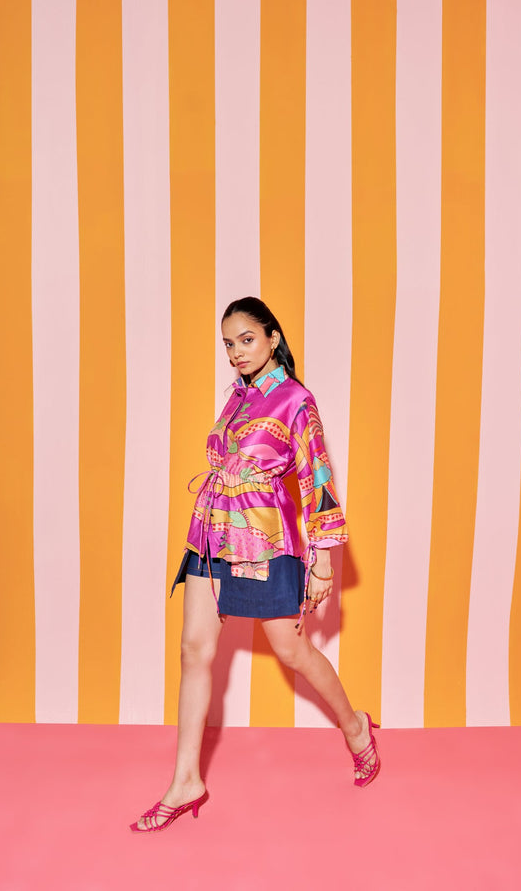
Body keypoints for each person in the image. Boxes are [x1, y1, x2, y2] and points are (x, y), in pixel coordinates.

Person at [130, 297, 380, 833]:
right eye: (228, 344)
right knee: (193, 649)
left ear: (272, 338)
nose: (236, 352)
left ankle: (355, 726)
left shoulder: (296, 400)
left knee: (292, 651)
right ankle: (185, 780)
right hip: (211, 532)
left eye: (246, 340)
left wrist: (323, 562)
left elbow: (317, 477)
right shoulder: (236, 398)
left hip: (264, 539)